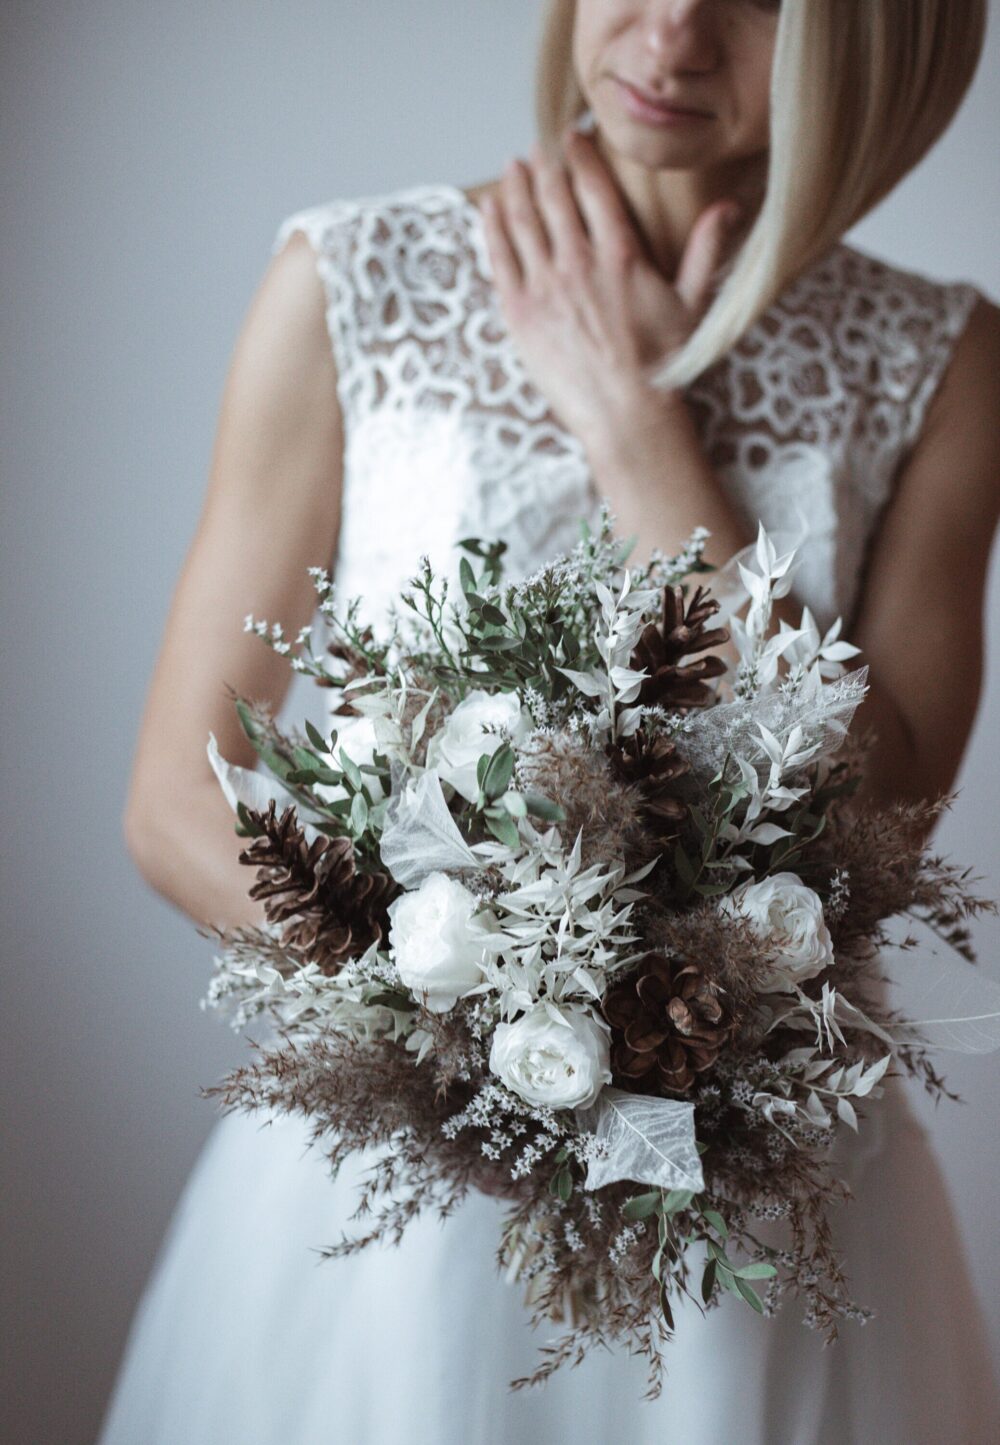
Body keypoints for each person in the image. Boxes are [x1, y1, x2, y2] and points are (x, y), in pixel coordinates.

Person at [103, 2, 1000, 1441]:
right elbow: (174, 797)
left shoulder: (938, 360)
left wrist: (640, 432)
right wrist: (482, 1034)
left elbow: (874, 825)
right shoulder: (355, 279)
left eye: (762, 2)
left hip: (762, 1213)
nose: (674, 33)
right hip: (393, 1209)